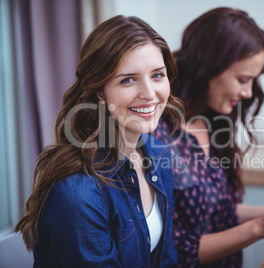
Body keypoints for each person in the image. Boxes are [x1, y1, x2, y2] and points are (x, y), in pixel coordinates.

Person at [154, 7, 264, 267]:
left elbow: (219, 210)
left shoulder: (211, 120)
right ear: (208, 68)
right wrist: (261, 227)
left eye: (252, 81)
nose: (248, 92)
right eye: (243, 79)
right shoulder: (157, 135)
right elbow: (177, 250)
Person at [14, 15, 183, 267]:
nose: (149, 94)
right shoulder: (77, 190)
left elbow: (166, 260)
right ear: (99, 93)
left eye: (157, 75)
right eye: (128, 79)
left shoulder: (157, 154)